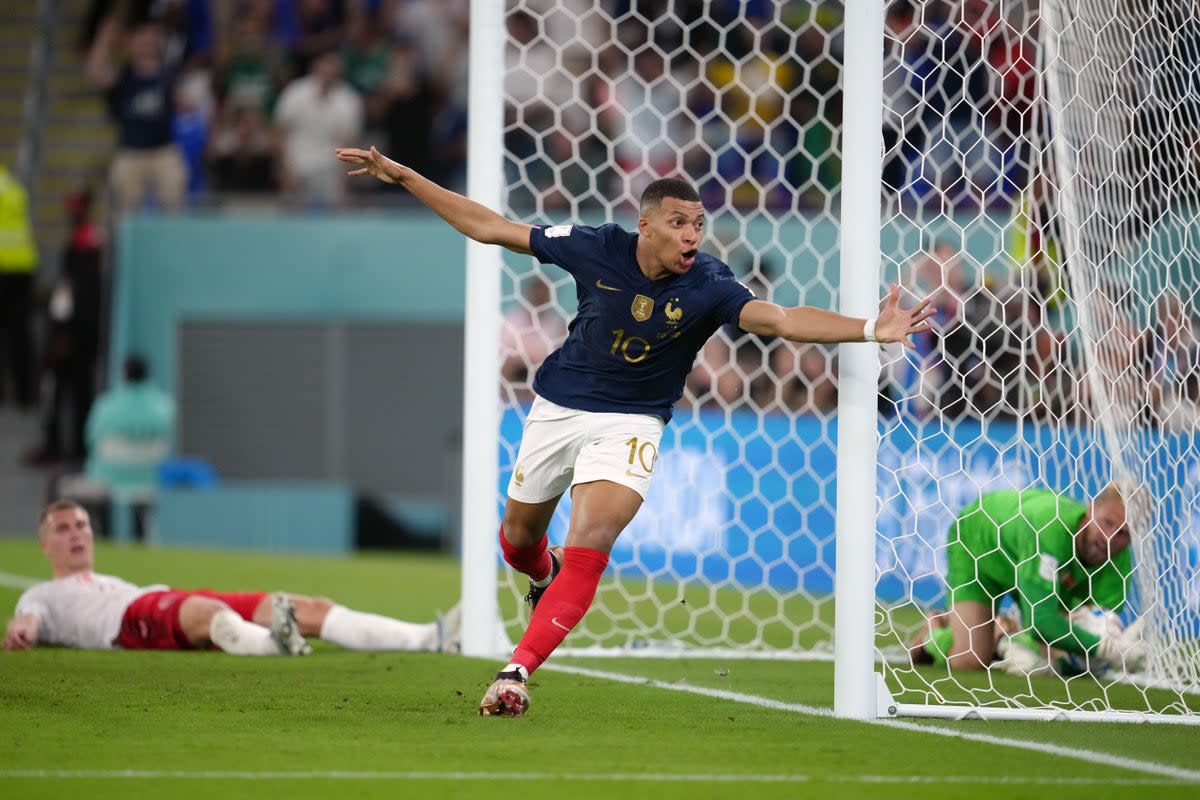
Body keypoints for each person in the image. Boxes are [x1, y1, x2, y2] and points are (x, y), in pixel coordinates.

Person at [335, 144, 935, 717]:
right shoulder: (597, 247)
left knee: (592, 539)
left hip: (632, 423)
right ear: (645, 225)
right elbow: (491, 227)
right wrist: (407, 177)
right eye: (679, 223)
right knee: (517, 543)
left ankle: (516, 672)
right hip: (558, 407)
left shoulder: (709, 283)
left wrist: (868, 328)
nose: (692, 236)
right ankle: (544, 575)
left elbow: (779, 319)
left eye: (699, 224)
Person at [3, 499, 462, 656]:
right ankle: (270, 644)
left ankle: (429, 637)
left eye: (81, 524)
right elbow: (27, 620)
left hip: (159, 599)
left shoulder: (104, 580)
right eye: (63, 529)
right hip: (128, 623)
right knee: (209, 613)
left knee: (310, 606)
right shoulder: (42, 594)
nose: (77, 534)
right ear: (45, 544)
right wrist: (21, 630)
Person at [911, 484, 1145, 673]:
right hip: (978, 544)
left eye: (1124, 533)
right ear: (1091, 509)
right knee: (969, 661)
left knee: (1051, 655)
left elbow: (1086, 624)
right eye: (1107, 523)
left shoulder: (1118, 562)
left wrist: (1104, 647)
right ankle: (936, 628)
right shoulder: (1050, 530)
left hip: (1027, 564)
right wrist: (1105, 649)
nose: (1111, 537)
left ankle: (1002, 630)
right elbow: (1041, 623)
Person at [0, 162, 39, 410]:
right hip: (23, 265)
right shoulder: (12, 184)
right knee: (20, 333)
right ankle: (26, 394)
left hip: (3, 266)